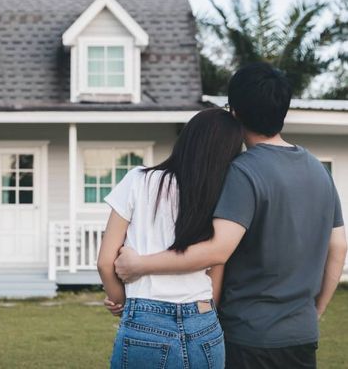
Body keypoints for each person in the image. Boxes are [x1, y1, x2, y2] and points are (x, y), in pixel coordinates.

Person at [110, 63, 347, 369]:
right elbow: (338, 246)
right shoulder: (319, 170)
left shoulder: (242, 172)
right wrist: (316, 311)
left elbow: (218, 250)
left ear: (234, 112)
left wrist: (139, 263)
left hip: (248, 337)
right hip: (301, 336)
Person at [97, 108, 244, 368]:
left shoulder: (138, 180)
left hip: (146, 317)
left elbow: (105, 261)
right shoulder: (222, 195)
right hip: (204, 320)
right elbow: (217, 262)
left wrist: (121, 301)